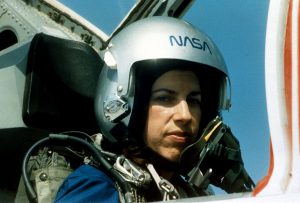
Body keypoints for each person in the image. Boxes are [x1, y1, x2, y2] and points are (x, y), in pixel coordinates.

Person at [53, 16, 254, 202]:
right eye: (165, 98)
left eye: (194, 101)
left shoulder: (192, 193)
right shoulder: (97, 188)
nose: (185, 115)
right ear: (127, 105)